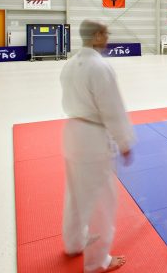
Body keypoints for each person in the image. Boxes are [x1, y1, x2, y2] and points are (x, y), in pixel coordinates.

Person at [60, 20, 135, 273]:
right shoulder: (100, 66)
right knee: (102, 201)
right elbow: (113, 109)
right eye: (104, 34)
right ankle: (97, 261)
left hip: (72, 132)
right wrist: (124, 142)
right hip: (92, 137)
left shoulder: (70, 64)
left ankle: (73, 243)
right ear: (96, 36)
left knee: (75, 194)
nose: (107, 38)